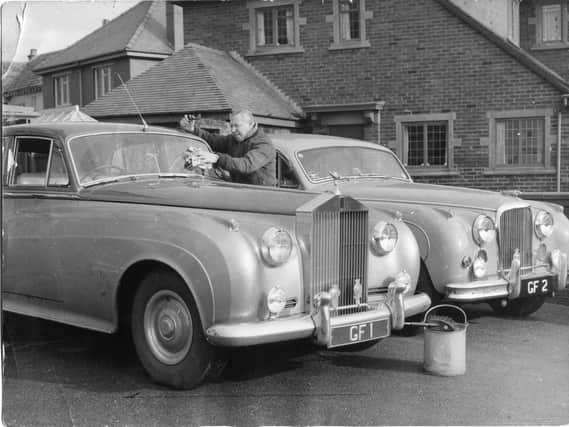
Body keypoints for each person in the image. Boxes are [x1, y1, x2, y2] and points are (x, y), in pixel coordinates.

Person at [179, 110, 277, 186]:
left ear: (251, 124)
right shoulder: (234, 139)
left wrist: (217, 158)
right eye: (231, 126)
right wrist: (193, 130)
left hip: (262, 195)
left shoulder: (264, 144)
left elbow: (246, 165)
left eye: (237, 126)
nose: (233, 130)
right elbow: (213, 140)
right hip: (240, 191)